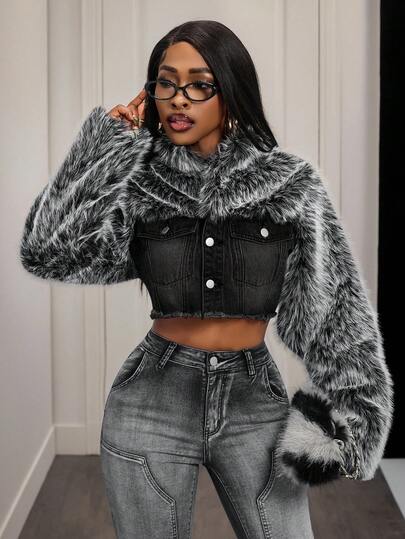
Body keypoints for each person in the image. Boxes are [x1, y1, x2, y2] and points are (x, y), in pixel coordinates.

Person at [19, 20, 393, 539]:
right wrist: (105, 150)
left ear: (231, 93)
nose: (179, 98)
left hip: (253, 399)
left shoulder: (289, 184)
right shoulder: (140, 184)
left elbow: (334, 308)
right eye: (166, 83)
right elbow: (48, 253)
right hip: (150, 399)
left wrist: (359, 411)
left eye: (199, 85)